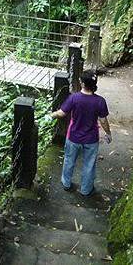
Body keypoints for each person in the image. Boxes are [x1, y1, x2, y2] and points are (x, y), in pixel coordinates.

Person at [50, 69, 111, 197]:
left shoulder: (74, 98)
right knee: (89, 164)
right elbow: (103, 120)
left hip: (73, 136)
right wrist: (108, 133)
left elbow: (61, 113)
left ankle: (66, 183)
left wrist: (50, 115)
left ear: (82, 83)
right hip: (91, 138)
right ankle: (86, 189)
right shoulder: (100, 101)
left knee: (69, 160)